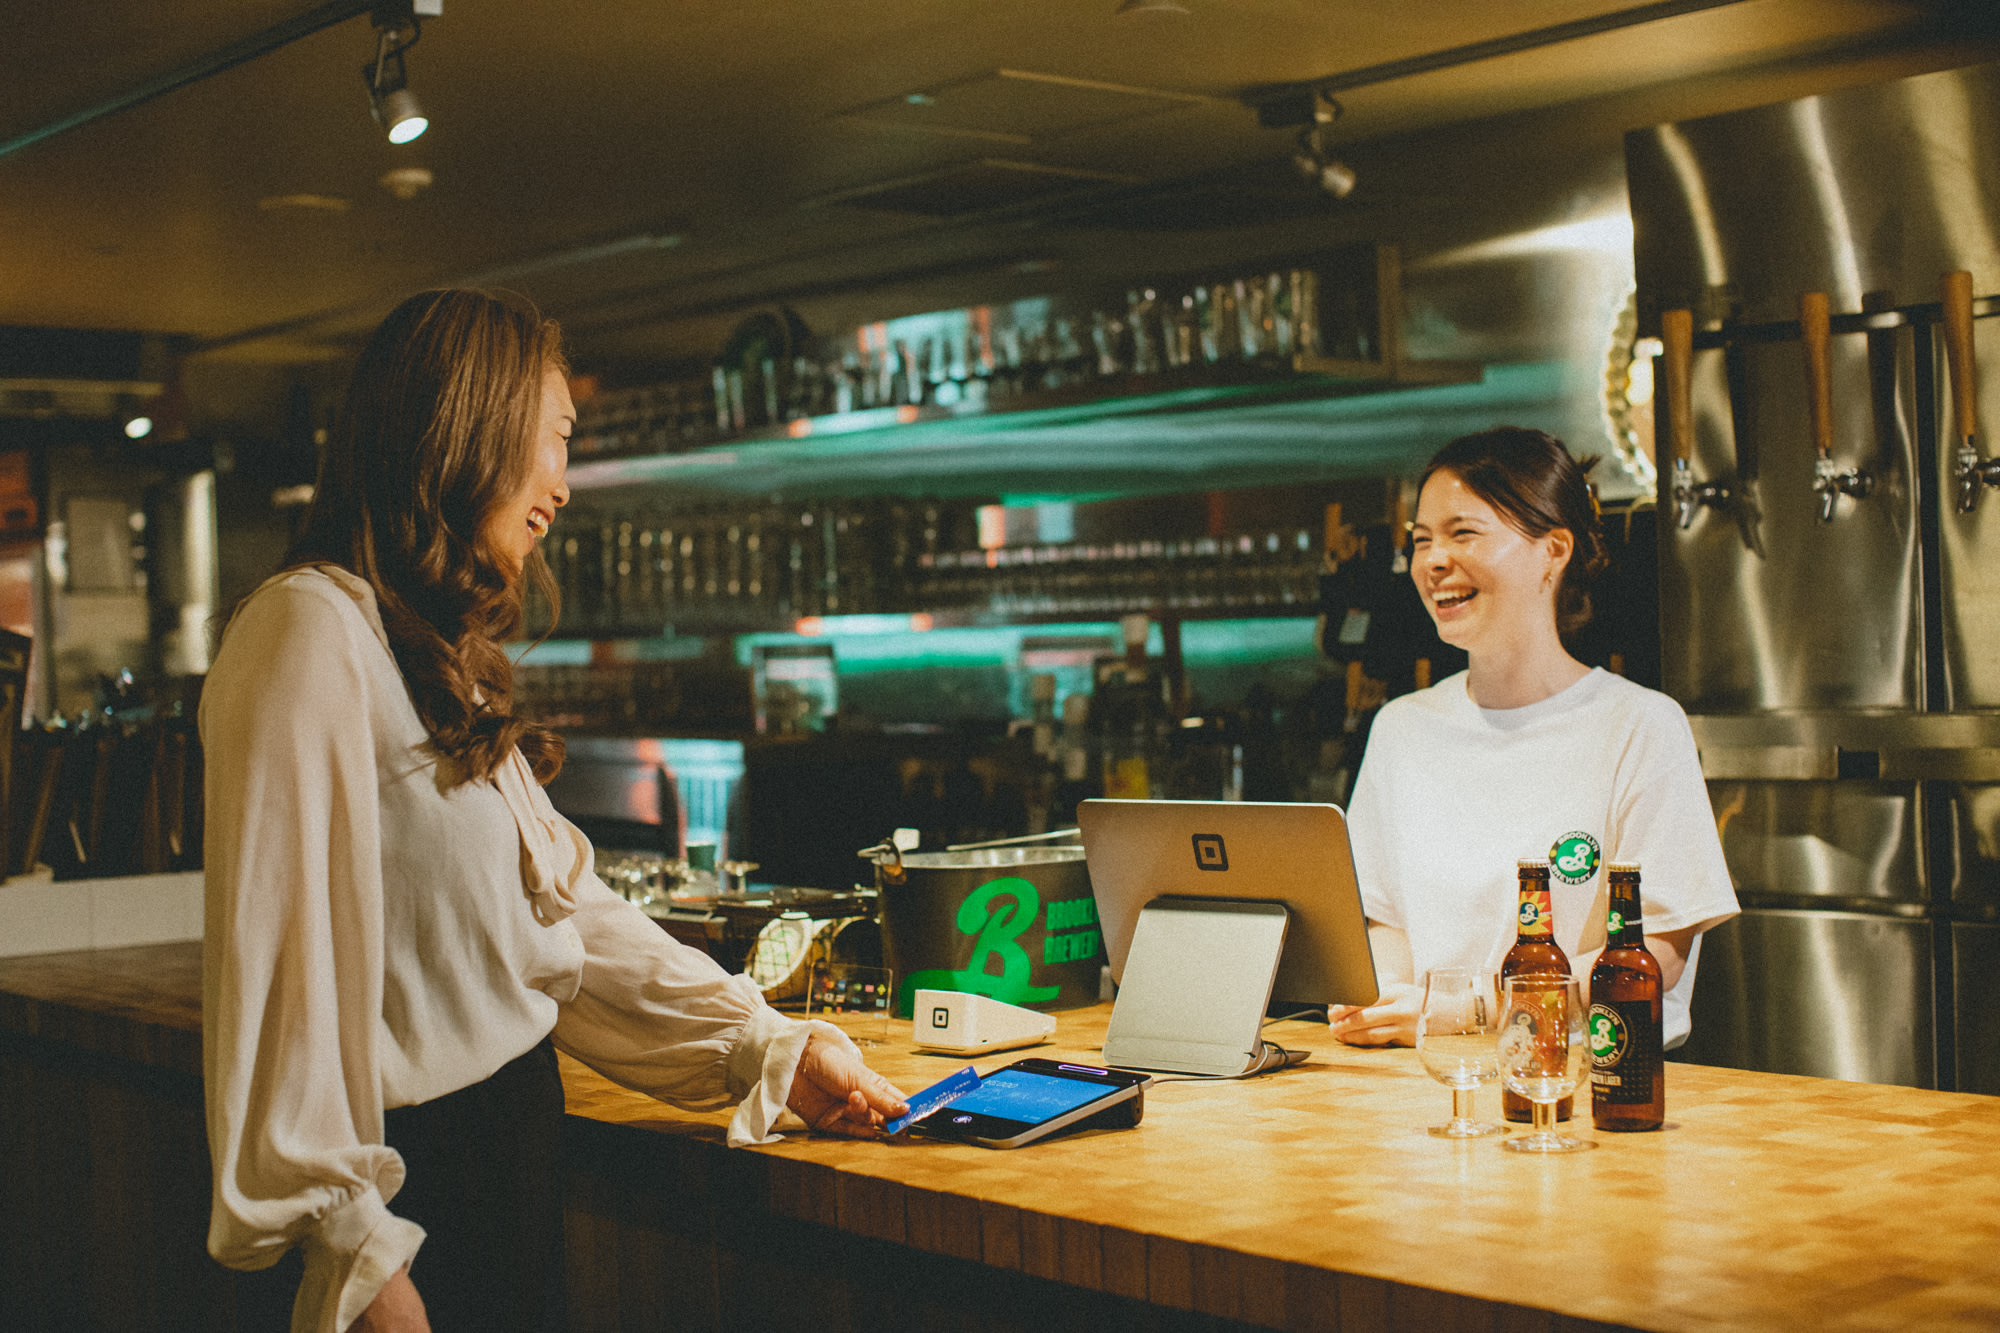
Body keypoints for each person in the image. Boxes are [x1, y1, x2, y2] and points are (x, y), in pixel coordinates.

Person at [201, 289, 909, 1333]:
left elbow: (564, 923)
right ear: (466, 430)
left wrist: (768, 1046)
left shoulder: (427, 653)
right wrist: (353, 1247)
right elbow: (273, 977)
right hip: (418, 1200)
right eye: (553, 443)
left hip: (501, 1174)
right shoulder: (305, 631)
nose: (561, 488)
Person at [1331, 427, 1737, 1049]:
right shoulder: (1402, 729)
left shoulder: (1638, 726)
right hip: (1424, 1092)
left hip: (1597, 1090)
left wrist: (1462, 1011)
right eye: (1421, 540)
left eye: (1463, 533)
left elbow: (1656, 948)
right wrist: (1388, 1002)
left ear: (1553, 550)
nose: (1434, 560)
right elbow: (1382, 917)